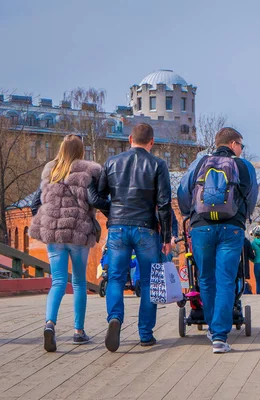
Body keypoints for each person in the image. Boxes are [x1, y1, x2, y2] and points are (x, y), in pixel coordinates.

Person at [177, 127, 258, 353]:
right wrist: (242, 216)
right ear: (233, 143)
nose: (242, 150)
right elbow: (251, 198)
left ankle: (212, 327)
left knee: (206, 278)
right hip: (232, 228)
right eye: (241, 145)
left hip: (201, 227)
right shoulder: (244, 167)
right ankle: (220, 338)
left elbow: (183, 192)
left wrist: (190, 215)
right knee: (226, 280)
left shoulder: (199, 163)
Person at [29, 134, 109, 352]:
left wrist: (46, 220)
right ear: (80, 151)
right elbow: (94, 200)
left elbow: (35, 203)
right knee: (79, 283)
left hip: (53, 236)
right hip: (77, 234)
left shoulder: (50, 171)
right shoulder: (88, 171)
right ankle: (78, 332)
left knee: (57, 282)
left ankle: (49, 324)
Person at [98, 123, 173, 352]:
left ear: (130, 138)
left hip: (118, 228)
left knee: (116, 278)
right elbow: (164, 204)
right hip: (146, 229)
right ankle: (145, 335)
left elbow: (99, 195)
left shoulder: (111, 163)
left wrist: (112, 213)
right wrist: (168, 236)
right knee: (149, 282)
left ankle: (115, 319)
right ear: (152, 142)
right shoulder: (158, 165)